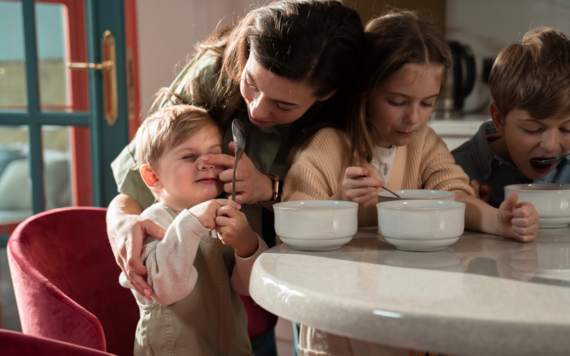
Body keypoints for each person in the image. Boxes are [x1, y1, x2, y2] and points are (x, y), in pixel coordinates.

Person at [107, 1, 365, 353]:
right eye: (251, 83)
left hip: (281, 282)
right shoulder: (216, 70)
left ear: (326, 96)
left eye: (284, 105)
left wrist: (271, 190)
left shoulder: (346, 116)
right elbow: (138, 184)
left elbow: (333, 216)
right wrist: (118, 222)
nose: (257, 109)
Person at [282, 10, 540, 355]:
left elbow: (454, 194)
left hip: (410, 320)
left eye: (427, 103)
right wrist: (339, 201)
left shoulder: (424, 142)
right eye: (397, 101)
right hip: (341, 327)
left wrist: (497, 220)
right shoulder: (325, 147)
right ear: (364, 91)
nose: (413, 118)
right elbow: (293, 242)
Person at [119, 102, 268, 355]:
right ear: (153, 177)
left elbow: (251, 288)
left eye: (212, 153)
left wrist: (247, 245)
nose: (206, 163)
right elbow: (167, 290)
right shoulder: (151, 222)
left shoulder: (223, 214)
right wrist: (191, 221)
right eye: (189, 156)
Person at [452, 27, 570, 208]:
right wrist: (474, 219)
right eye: (533, 129)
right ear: (499, 120)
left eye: (566, 128)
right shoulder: (456, 171)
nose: (551, 145)